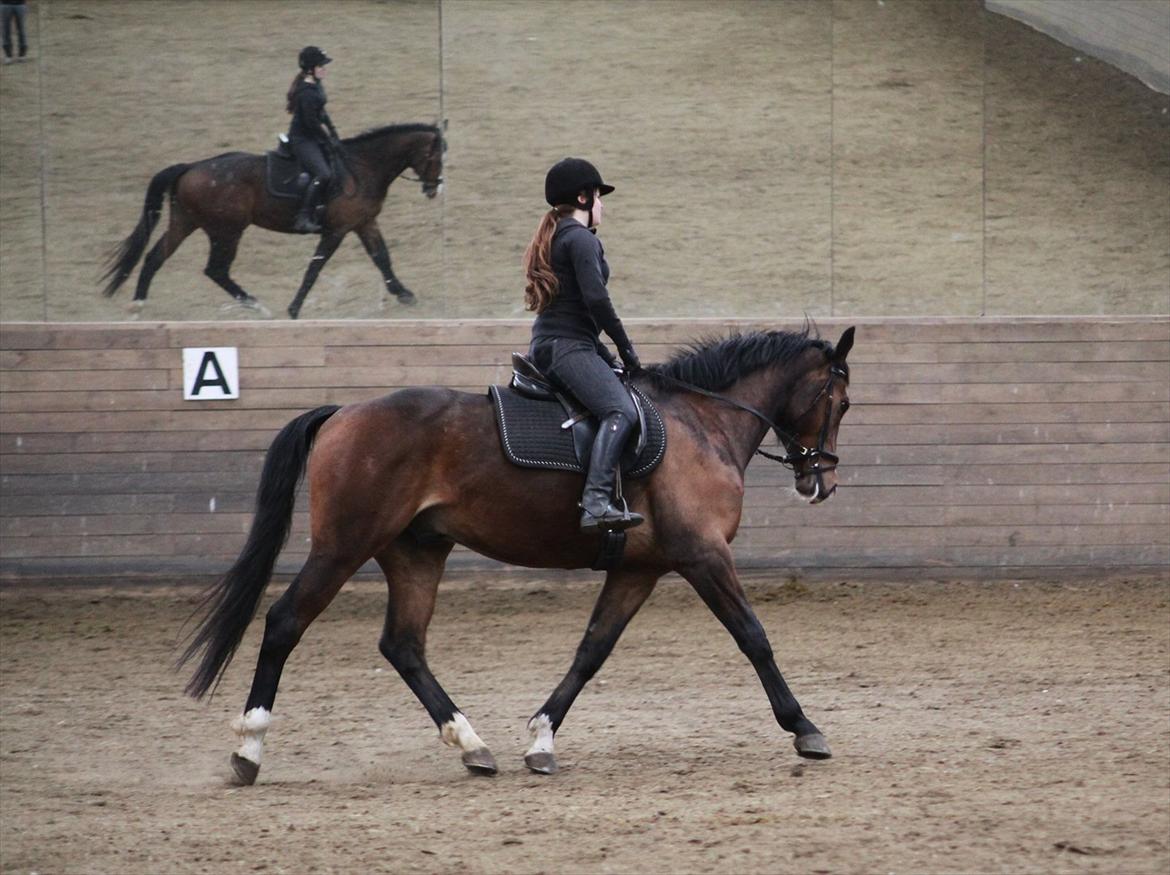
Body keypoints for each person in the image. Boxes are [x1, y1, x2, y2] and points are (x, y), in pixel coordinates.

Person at [523, 157, 645, 532]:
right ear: (582, 198)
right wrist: (626, 349)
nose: (603, 205)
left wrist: (607, 357)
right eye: (599, 196)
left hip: (553, 344)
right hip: (567, 348)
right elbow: (596, 302)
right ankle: (595, 502)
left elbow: (579, 317)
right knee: (621, 411)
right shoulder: (580, 240)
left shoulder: (558, 235)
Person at [285, 45, 340, 233]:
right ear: (310, 69)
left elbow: (321, 112)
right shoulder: (306, 92)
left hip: (312, 135)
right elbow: (311, 123)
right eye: (321, 65)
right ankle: (303, 217)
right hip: (302, 139)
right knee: (323, 174)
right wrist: (327, 139)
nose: (324, 68)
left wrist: (333, 132)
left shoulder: (316, 84)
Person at [1, 0, 28, 65]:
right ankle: (8, 55)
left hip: (20, 4)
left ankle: (22, 54)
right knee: (5, 30)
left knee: (21, 29)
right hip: (5, 4)